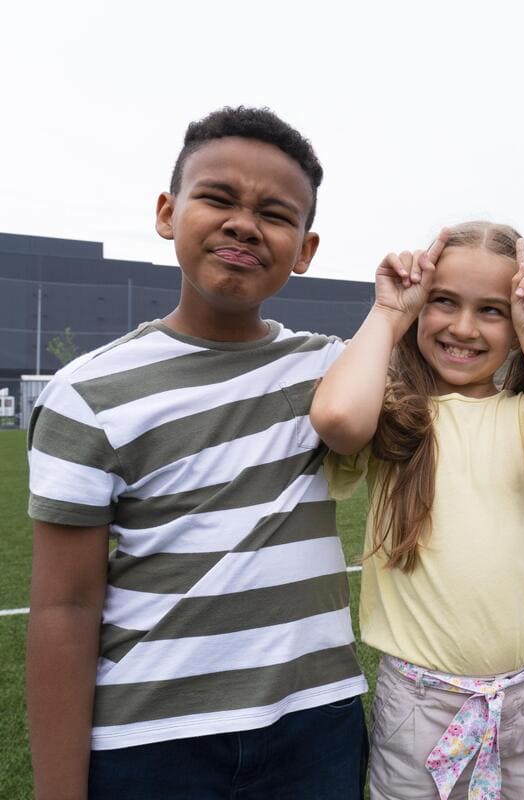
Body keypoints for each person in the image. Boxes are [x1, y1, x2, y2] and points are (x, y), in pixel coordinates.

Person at [25, 106, 368, 799]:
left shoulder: (333, 374)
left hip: (318, 722)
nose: (243, 223)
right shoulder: (85, 394)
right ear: (166, 211)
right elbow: (64, 606)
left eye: (275, 213)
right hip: (151, 741)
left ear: (305, 250)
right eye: (217, 197)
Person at [311, 221, 524, 800]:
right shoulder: (393, 414)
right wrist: (389, 315)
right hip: (420, 705)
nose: (463, 328)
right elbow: (337, 420)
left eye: (492, 311)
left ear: (515, 325)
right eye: (443, 302)